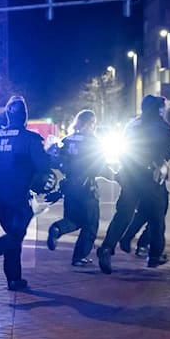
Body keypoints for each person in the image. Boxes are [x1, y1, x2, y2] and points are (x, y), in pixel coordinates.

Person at [95, 95, 170, 273]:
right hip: (151, 177)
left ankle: (107, 248)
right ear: (158, 109)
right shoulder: (163, 127)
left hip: (129, 175)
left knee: (123, 214)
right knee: (156, 218)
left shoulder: (132, 125)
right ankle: (154, 256)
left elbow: (124, 149)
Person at [0, 96, 50, 290]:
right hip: (20, 195)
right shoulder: (30, 139)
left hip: (0, 197)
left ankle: (14, 279)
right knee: (15, 235)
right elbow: (43, 166)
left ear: (7, 115)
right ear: (25, 116)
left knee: (12, 236)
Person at [46, 110, 108, 266]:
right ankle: (79, 257)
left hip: (69, 186)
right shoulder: (93, 141)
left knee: (73, 219)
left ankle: (57, 228)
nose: (94, 126)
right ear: (89, 123)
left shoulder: (67, 139)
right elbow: (99, 166)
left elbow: (56, 161)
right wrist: (116, 175)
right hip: (87, 188)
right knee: (91, 224)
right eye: (93, 123)